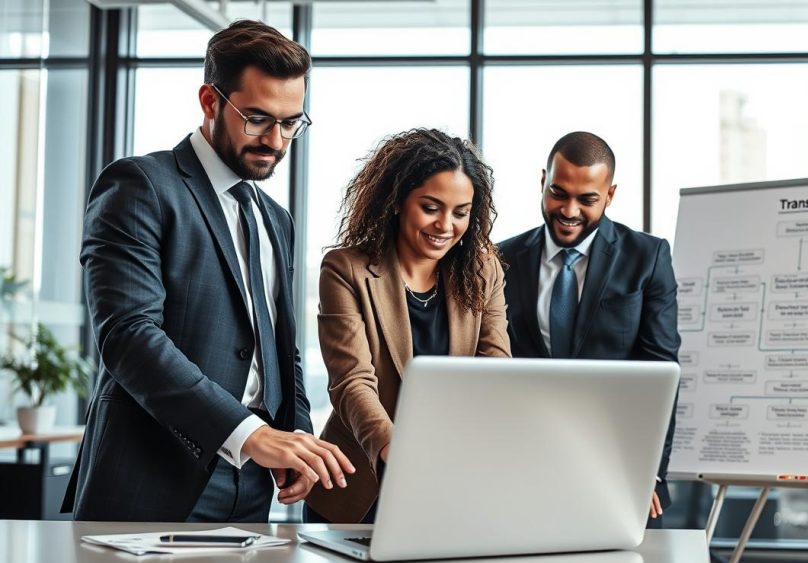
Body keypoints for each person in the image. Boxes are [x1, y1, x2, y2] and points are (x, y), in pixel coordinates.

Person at [63, 20, 354, 522]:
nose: (276, 140)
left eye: (291, 123)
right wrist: (248, 433)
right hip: (154, 478)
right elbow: (129, 337)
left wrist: (297, 437)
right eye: (258, 118)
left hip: (254, 484)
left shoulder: (274, 218)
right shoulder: (141, 186)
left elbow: (281, 352)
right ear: (210, 101)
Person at [304, 128, 511, 523]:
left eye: (460, 212)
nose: (445, 225)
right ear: (398, 201)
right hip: (361, 485)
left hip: (450, 485)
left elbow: (495, 371)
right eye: (430, 207)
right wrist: (393, 447)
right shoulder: (346, 269)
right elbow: (352, 381)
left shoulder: (484, 272)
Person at [498, 131, 680, 527]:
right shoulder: (500, 259)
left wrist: (644, 469)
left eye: (587, 199)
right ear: (542, 181)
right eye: (558, 193)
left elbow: (661, 375)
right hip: (523, 469)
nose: (569, 210)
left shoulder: (647, 258)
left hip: (618, 471)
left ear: (610, 195)